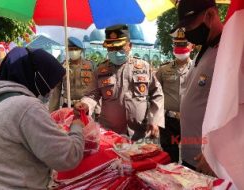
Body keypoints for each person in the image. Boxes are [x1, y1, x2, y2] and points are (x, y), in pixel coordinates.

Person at [0, 47, 84, 189]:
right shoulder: (26, 107)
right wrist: (77, 125)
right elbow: (68, 156)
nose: (49, 90)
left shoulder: (0, 99)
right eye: (49, 83)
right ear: (37, 77)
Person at [75, 25, 164, 141]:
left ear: (130, 45)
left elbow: (157, 94)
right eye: (111, 48)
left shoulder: (144, 67)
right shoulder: (100, 70)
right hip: (110, 134)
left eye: (119, 47)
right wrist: (86, 104)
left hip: (139, 133)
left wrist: (155, 120)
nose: (115, 52)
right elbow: (92, 95)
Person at [171, 0, 223, 174]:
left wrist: (218, 154)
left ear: (209, 15)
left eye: (189, 26)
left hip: (211, 161)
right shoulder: (207, 49)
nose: (186, 33)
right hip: (192, 155)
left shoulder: (228, 52)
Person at [156, 28, 192, 162]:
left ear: (191, 46)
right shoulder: (163, 69)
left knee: (191, 157)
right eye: (177, 44)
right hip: (169, 121)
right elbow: (154, 93)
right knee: (170, 158)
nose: (180, 47)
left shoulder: (197, 68)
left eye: (183, 44)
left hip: (190, 120)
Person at [49, 37, 95, 112]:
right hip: (67, 106)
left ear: (81, 50)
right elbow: (56, 90)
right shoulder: (62, 66)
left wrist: (97, 110)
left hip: (84, 106)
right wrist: (52, 111)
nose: (73, 51)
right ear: (67, 50)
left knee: (86, 124)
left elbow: (95, 89)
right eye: (71, 49)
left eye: (76, 49)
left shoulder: (90, 65)